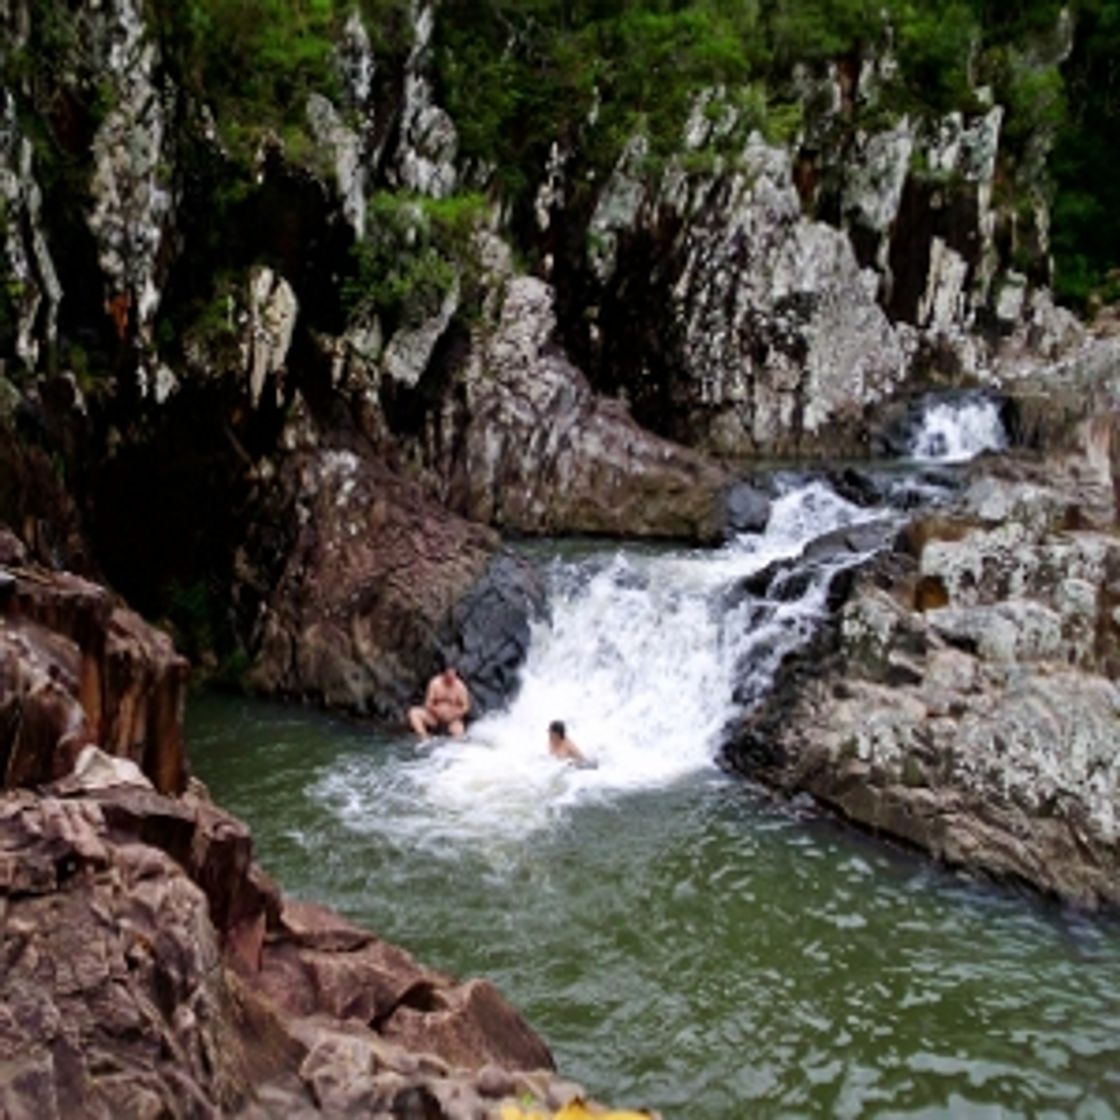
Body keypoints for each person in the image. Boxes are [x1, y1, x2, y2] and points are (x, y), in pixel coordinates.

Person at [408, 666, 471, 740]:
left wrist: (455, 714)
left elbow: (466, 707)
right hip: (434, 717)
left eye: (453, 677)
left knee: (459, 733)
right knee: (413, 712)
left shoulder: (461, 687)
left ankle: (453, 746)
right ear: (443, 675)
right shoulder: (435, 683)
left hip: (452, 720)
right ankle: (424, 737)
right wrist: (436, 711)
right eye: (448, 676)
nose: (451, 679)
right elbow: (428, 703)